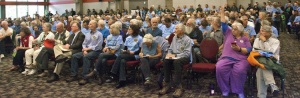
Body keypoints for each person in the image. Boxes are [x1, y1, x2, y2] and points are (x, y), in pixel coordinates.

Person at [216, 6, 252, 98]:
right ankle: (225, 90)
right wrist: (222, 12)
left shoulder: (245, 38)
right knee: (219, 67)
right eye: (232, 28)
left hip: (241, 60)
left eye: (235, 29)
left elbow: (248, 50)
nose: (233, 30)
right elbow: (223, 23)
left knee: (240, 70)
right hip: (226, 57)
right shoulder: (228, 33)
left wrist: (239, 49)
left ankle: (239, 91)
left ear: (240, 30)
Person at [159, 23, 192, 97]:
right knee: (166, 60)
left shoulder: (187, 39)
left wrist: (177, 56)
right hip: (174, 56)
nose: (174, 30)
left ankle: (178, 86)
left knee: (177, 62)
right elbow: (170, 49)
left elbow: (187, 53)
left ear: (181, 31)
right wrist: (169, 54)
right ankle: (167, 84)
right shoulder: (174, 38)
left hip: (183, 57)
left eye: (176, 29)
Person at [67, 20, 103, 85]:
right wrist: (85, 49)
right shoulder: (87, 34)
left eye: (91, 24)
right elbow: (84, 43)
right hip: (87, 50)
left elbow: (98, 46)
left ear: (95, 25)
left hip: (96, 51)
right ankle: (74, 75)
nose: (89, 25)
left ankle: (85, 77)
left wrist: (88, 49)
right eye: (89, 24)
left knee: (86, 57)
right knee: (74, 56)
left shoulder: (99, 34)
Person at [110, 24, 143, 88]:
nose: (128, 30)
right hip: (127, 54)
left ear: (134, 30)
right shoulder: (128, 38)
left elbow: (140, 50)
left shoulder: (140, 38)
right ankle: (122, 80)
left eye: (130, 29)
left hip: (135, 55)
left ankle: (113, 72)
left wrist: (133, 52)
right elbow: (125, 48)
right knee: (122, 61)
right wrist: (124, 51)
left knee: (120, 56)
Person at [253, 25, 281, 98]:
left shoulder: (276, 41)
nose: (260, 32)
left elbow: (271, 52)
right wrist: (264, 52)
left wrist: (264, 41)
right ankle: (272, 84)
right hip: (259, 61)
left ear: (269, 33)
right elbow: (254, 50)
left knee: (261, 69)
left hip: (272, 62)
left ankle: (261, 96)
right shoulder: (257, 40)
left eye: (263, 31)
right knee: (262, 65)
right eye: (260, 30)